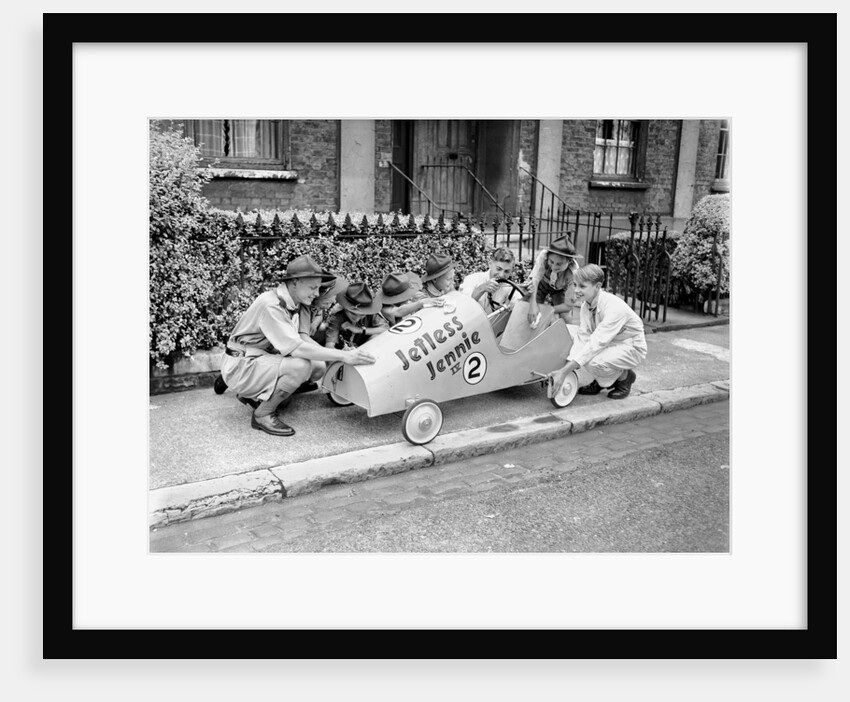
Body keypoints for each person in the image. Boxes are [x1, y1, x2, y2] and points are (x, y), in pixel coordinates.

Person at [220, 255, 376, 437]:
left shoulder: (292, 302)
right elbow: (298, 348)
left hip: (257, 358)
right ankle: (263, 414)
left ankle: (261, 395)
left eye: (318, 288)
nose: (317, 294)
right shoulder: (272, 305)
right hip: (241, 366)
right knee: (300, 366)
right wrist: (344, 356)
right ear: (294, 283)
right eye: (313, 287)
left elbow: (301, 338)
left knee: (317, 367)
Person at [548, 263, 647, 401]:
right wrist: (566, 368)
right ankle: (602, 379)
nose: (576, 290)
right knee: (565, 332)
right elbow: (583, 336)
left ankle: (624, 377)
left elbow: (596, 343)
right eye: (575, 285)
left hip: (630, 345)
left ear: (598, 286)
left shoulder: (614, 308)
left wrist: (564, 372)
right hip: (608, 341)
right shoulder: (586, 305)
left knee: (594, 362)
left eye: (582, 286)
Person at [525, 234, 582, 326]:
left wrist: (546, 310)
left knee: (565, 317)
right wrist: (533, 305)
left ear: (569, 262)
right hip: (542, 285)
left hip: (560, 290)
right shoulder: (543, 256)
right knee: (530, 309)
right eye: (551, 262)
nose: (554, 267)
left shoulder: (573, 273)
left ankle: (567, 333)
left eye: (559, 264)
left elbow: (568, 306)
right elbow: (535, 280)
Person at [324, 282, 389, 350]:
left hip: (364, 346)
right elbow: (329, 346)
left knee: (377, 336)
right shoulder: (337, 316)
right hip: (344, 350)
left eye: (362, 315)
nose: (357, 318)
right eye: (353, 313)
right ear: (345, 308)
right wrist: (342, 352)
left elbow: (385, 329)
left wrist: (359, 330)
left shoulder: (370, 312)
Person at [459, 247, 519, 314]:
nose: (501, 275)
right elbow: (463, 305)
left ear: (511, 271)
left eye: (507, 271)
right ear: (490, 263)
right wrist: (482, 288)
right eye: (498, 269)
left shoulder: (509, 288)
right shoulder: (472, 279)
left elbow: (519, 305)